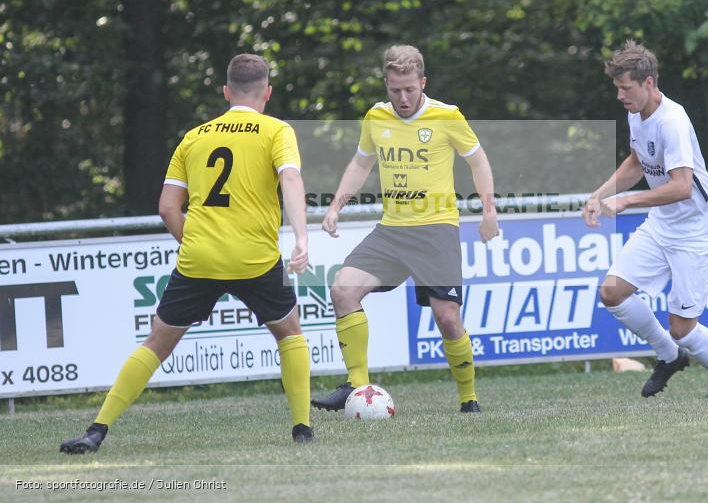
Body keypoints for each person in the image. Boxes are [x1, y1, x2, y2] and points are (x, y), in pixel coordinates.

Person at [60, 54, 314, 453]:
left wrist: (196, 241)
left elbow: (167, 208)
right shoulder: (276, 130)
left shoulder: (194, 137)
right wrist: (301, 238)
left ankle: (97, 429)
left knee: (156, 344)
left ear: (226, 92)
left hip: (200, 258)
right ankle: (302, 429)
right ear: (266, 92)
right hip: (255, 257)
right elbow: (291, 178)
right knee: (290, 333)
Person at [311, 45, 499, 413]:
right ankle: (357, 388)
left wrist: (488, 210)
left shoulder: (447, 116)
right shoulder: (375, 118)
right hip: (391, 232)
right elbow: (360, 164)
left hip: (436, 230)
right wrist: (335, 206)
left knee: (447, 319)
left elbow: (478, 161)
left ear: (423, 82)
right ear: (386, 83)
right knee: (342, 291)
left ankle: (469, 399)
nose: (403, 98)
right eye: (395, 90)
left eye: (410, 89)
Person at [583, 40, 708, 398]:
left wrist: (626, 201)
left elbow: (682, 187)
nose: (621, 96)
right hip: (663, 224)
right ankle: (669, 357)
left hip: (697, 231)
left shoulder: (672, 120)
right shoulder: (636, 113)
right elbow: (637, 161)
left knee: (683, 328)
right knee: (612, 292)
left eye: (626, 89)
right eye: (618, 88)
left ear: (649, 83)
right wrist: (599, 195)